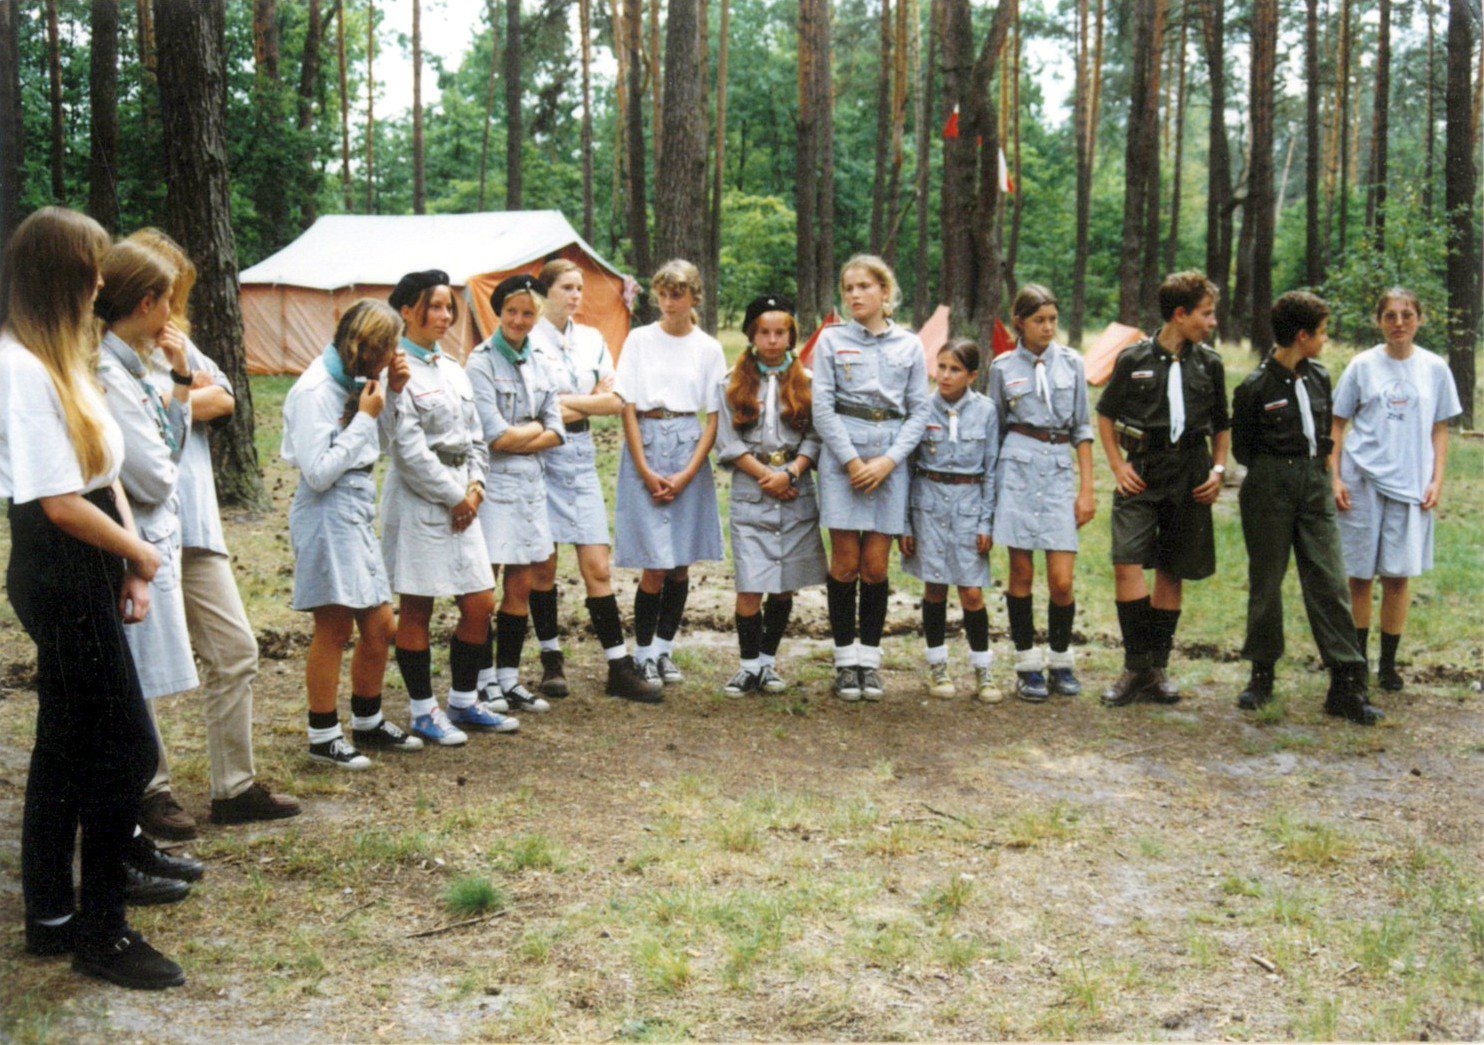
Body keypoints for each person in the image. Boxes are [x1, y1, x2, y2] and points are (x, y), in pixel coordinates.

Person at [3, 207, 184, 989]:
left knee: (67, 742)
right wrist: (137, 552)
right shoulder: (20, 367)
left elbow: (105, 474)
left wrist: (134, 567)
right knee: (125, 749)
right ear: (62, 274)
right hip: (59, 568)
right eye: (93, 265)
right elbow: (57, 502)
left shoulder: (63, 358)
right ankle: (102, 931)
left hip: (95, 559)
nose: (103, 280)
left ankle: (51, 914)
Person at [122, 228, 295, 837]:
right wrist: (180, 395)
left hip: (197, 522)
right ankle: (150, 789)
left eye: (179, 292)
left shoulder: (178, 342)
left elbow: (225, 399)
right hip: (141, 528)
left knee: (236, 649)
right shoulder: (112, 354)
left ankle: (234, 787)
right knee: (141, 665)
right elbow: (159, 417)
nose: (173, 304)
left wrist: (176, 395)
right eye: (165, 292)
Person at [283, 299, 426, 768]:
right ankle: (323, 734)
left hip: (357, 504)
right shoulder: (314, 390)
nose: (392, 358)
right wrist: (364, 416)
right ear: (362, 346)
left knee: (380, 625)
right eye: (387, 349)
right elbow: (318, 472)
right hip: (326, 508)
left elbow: (377, 445)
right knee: (334, 625)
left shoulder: (360, 381)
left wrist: (393, 396)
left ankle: (367, 719)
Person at [1231, 291, 1381, 724]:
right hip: (1270, 486)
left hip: (1315, 483)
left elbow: (1326, 431)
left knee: (1330, 581)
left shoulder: (1319, 376)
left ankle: (1346, 685)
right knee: (1267, 581)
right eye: (1322, 332)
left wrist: (1321, 475)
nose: (1325, 340)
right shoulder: (1255, 387)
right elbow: (1244, 448)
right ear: (1302, 336)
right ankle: (1261, 675)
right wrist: (1278, 473)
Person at [1096, 270, 1230, 708]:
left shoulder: (1210, 364)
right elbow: (1105, 414)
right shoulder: (1133, 358)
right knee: (1127, 562)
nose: (1212, 322)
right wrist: (1117, 465)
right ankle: (1136, 666)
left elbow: (1222, 425)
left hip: (1190, 472)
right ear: (1180, 314)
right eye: (1206, 314)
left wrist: (1217, 470)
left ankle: (1157, 668)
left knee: (1172, 569)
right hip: (1143, 469)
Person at [526, 259, 658, 702]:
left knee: (598, 566)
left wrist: (566, 403)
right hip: (541, 454)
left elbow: (616, 400)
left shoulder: (592, 340)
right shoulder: (529, 340)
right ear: (546, 292)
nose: (576, 296)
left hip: (580, 458)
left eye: (579, 288)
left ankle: (618, 666)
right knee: (543, 567)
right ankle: (551, 660)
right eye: (566, 287)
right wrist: (585, 401)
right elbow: (532, 408)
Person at [382, 270, 502, 745]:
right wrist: (454, 497)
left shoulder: (452, 367)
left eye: (449, 307)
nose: (445, 315)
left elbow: (476, 435)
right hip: (421, 499)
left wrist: (476, 487)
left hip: (464, 495)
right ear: (407, 311)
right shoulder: (397, 372)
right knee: (417, 605)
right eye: (434, 306)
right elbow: (408, 451)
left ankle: (464, 699)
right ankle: (422, 710)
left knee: (480, 601)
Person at [1330, 287, 1463, 694]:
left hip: (1411, 485)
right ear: (1379, 322)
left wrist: (1436, 480)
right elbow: (1336, 424)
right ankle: (1357, 663)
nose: (1399, 323)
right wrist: (1335, 478)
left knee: (1398, 576)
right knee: (1359, 576)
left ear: (1419, 320)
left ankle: (1388, 665)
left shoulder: (1435, 368)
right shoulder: (1362, 365)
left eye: (1407, 315)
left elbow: (1440, 429)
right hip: (1361, 480)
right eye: (1390, 316)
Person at [811, 254, 930, 701]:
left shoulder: (910, 345)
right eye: (848, 288)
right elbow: (822, 407)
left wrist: (889, 461)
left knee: (876, 566)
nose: (855, 295)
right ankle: (845, 661)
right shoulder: (831, 340)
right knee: (845, 563)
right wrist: (851, 461)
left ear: (885, 291)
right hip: (845, 461)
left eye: (864, 286)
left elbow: (919, 411)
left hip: (888, 463)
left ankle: (870, 661)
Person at [613, 259, 727, 692]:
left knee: (679, 564)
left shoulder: (708, 348)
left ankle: (663, 649)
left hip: (687, 443)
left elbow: (714, 418)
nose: (668, 302)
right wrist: (644, 468)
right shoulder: (640, 339)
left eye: (677, 294)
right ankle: (642, 654)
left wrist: (687, 473)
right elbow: (626, 404)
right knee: (655, 565)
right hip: (647, 437)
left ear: (694, 297)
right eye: (662, 294)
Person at [714, 294, 827, 696]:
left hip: (795, 489)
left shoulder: (808, 382)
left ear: (792, 336)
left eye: (781, 332)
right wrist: (767, 475)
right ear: (752, 335)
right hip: (753, 488)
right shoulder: (731, 382)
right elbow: (727, 441)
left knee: (783, 583)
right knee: (751, 582)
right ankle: (747, 666)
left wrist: (791, 472)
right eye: (765, 332)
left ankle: (767, 662)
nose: (773, 340)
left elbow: (815, 437)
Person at [987, 285, 1096, 701]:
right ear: (1020, 323)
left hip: (1057, 469)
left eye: (1052, 319)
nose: (1048, 328)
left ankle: (1061, 659)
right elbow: (995, 430)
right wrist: (992, 492)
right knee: (1021, 573)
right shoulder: (1002, 367)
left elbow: (1082, 428)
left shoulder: (1072, 363)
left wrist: (1087, 489)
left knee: (1062, 579)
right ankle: (1027, 663)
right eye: (1038, 320)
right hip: (1017, 467)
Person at [466, 274, 564, 717]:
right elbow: (495, 437)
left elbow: (558, 429)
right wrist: (533, 429)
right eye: (512, 312)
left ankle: (509, 677)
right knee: (483, 587)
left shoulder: (541, 360)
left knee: (521, 583)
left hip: (531, 486)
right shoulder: (480, 363)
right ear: (499, 313)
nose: (519, 321)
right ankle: (482, 679)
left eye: (527, 313)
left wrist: (525, 433)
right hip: (493, 484)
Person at [901, 340, 1000, 702]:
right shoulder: (922, 408)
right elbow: (907, 468)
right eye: (941, 367)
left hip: (968, 506)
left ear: (972, 376)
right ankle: (937, 666)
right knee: (935, 588)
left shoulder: (986, 411)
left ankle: (983, 669)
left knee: (972, 592)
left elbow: (991, 470)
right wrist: (906, 524)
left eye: (955, 369)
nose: (945, 375)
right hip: (929, 505)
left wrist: (986, 522)